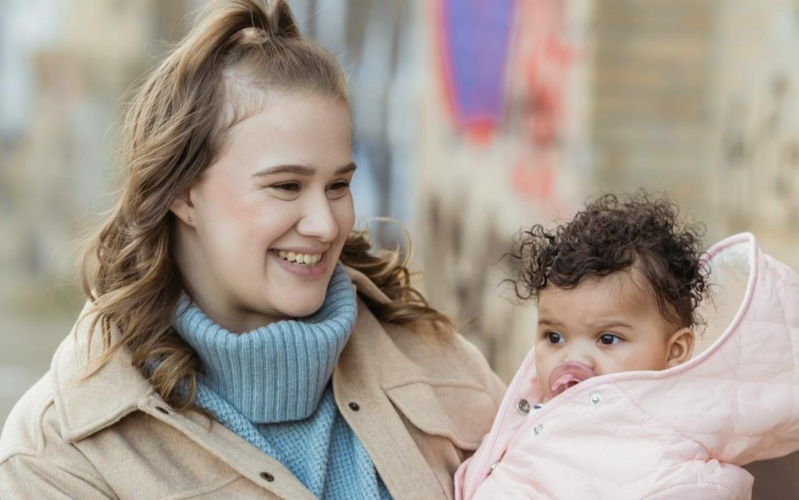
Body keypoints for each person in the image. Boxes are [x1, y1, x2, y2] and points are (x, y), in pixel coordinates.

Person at [0, 1, 504, 498]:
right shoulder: (60, 455)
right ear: (183, 193)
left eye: (338, 186)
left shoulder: (439, 363)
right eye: (286, 186)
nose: (325, 224)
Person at [456, 192, 799, 499]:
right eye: (554, 337)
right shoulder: (534, 412)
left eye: (607, 339)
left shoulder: (668, 470)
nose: (572, 357)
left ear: (675, 350)